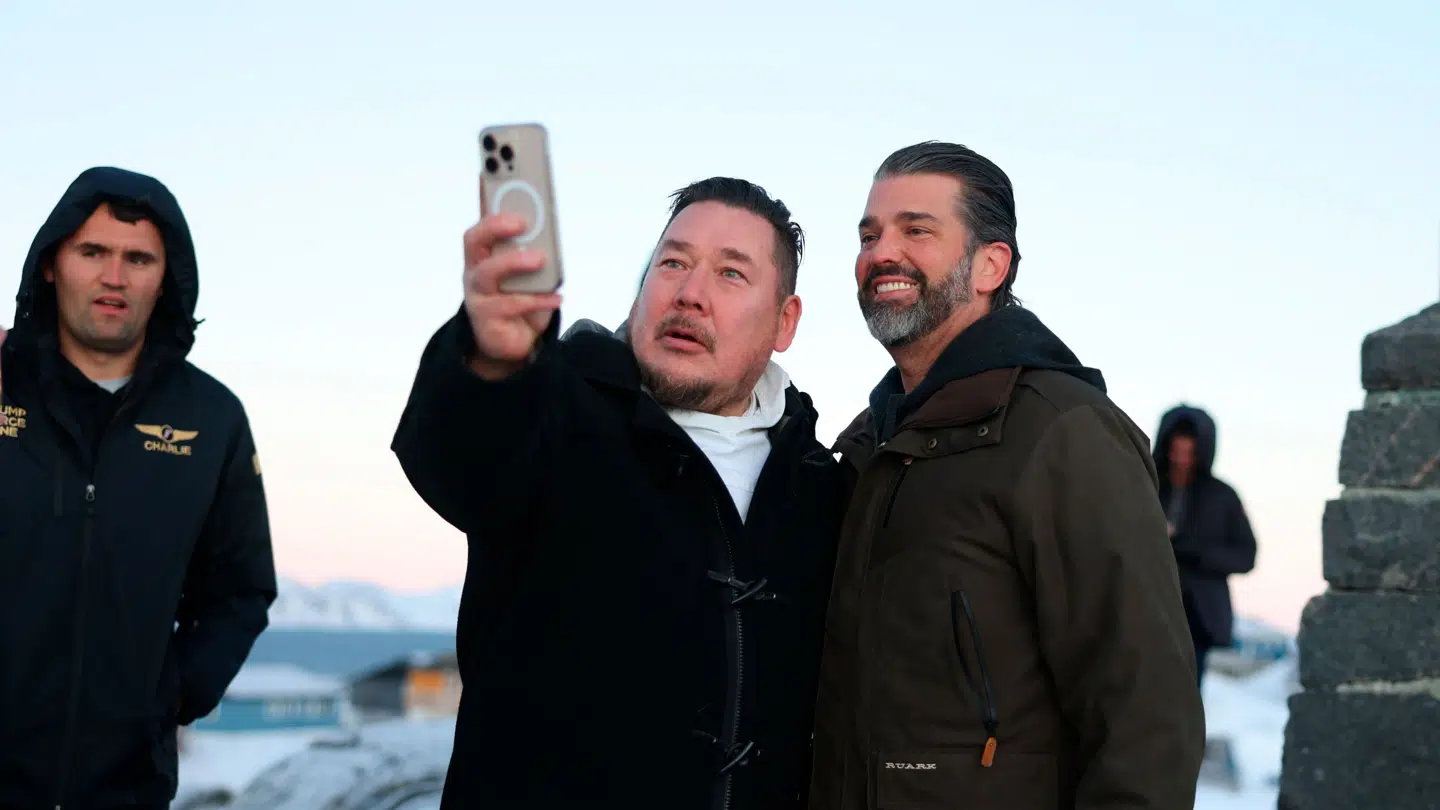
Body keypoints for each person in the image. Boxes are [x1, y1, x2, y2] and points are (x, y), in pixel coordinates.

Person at [392, 177, 848, 809]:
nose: (690, 293)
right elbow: (455, 458)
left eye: (731, 274)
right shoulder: (553, 417)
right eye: (673, 263)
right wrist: (487, 361)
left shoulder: (823, 487)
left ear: (784, 320)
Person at [810, 142, 1205, 810]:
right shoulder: (866, 446)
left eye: (917, 230)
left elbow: (1146, 720)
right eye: (869, 234)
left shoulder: (1062, 432)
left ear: (991, 264)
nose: (882, 253)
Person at [0, 168, 277, 810]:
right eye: (92, 252)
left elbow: (241, 589)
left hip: (127, 788)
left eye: (138, 258)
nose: (114, 277)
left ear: (166, 277)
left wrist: (172, 696)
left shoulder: (212, 419)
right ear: (51, 264)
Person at [1154, 404, 1258, 686]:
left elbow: (1246, 556)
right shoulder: (1145, 485)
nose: (1181, 460)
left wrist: (1194, 551)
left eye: (1188, 453)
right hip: (1149, 609)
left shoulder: (1222, 497)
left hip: (1198, 618)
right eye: (1176, 451)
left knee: (1186, 694)